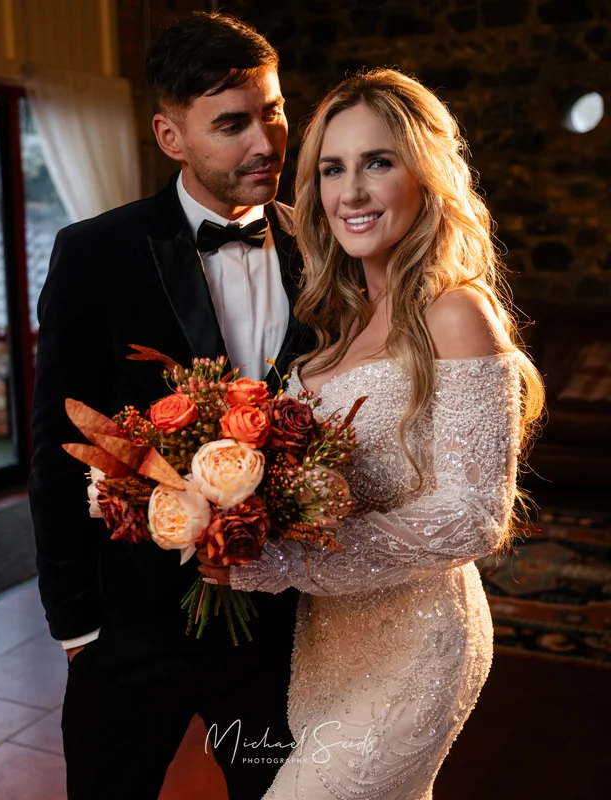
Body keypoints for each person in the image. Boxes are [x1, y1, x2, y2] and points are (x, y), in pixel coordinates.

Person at [201, 68, 545, 799]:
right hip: (327, 642)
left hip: (418, 640)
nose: (350, 192)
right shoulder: (338, 328)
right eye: (332, 169)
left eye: (377, 163)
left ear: (424, 175)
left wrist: (281, 562)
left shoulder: (456, 313)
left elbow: (474, 516)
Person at [29, 12, 310, 800]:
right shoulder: (95, 254)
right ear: (170, 135)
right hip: (131, 628)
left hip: (276, 633)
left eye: (274, 110)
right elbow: (59, 447)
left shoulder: (326, 252)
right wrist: (78, 629)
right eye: (232, 124)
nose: (266, 141)